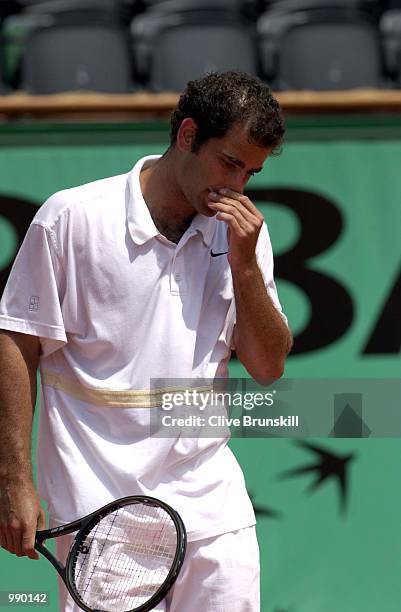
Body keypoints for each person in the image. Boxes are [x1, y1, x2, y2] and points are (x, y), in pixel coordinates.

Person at [0, 70, 292, 611]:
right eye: (229, 162)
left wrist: (245, 265)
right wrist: (14, 479)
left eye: (251, 172)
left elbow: (268, 366)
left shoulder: (245, 237)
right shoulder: (71, 219)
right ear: (186, 135)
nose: (238, 187)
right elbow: (17, 346)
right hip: (102, 516)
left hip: (214, 513)